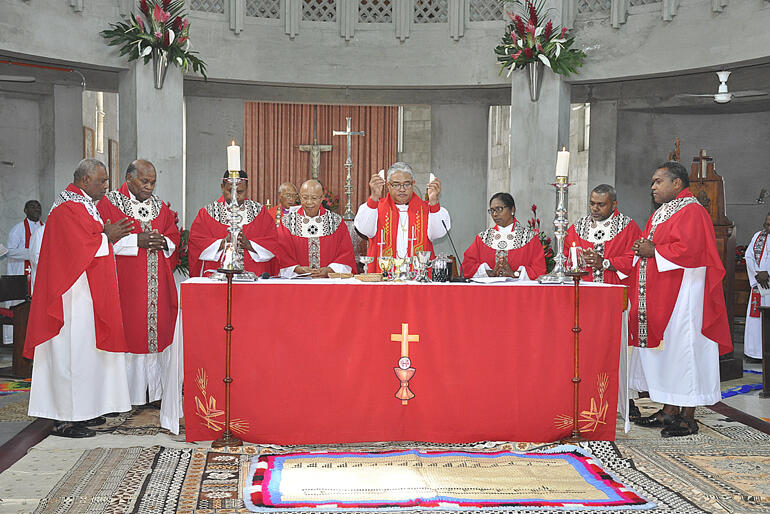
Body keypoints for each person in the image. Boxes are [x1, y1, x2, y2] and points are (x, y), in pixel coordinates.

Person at [24, 159, 134, 438]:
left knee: (85, 355)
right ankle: (63, 419)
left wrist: (104, 235)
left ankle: (82, 412)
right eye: (102, 180)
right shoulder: (66, 207)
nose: (106, 186)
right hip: (70, 295)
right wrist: (105, 236)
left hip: (85, 292)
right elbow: (73, 248)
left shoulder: (82, 203)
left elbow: (89, 240)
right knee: (70, 355)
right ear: (85, 180)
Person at [629, 161, 732, 437]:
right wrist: (642, 248)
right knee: (671, 352)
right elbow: (655, 245)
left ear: (677, 184)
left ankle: (688, 417)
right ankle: (669, 410)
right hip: (667, 290)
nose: (652, 187)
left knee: (686, 351)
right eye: (652, 182)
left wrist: (654, 251)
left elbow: (692, 249)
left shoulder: (693, 210)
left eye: (657, 181)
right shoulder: (664, 211)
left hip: (687, 294)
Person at [97, 160, 182, 421]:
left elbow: (173, 236)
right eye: (144, 181)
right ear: (129, 178)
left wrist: (163, 241)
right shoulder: (109, 203)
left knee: (158, 335)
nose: (149, 186)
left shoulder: (159, 207)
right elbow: (101, 238)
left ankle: (155, 393)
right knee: (129, 335)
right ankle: (125, 397)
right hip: (126, 285)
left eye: (153, 182)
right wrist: (137, 240)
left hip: (158, 284)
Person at [354, 162, 450, 272]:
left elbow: (439, 232)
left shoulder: (427, 209)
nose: (402, 189)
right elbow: (364, 229)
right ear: (388, 185)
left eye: (407, 184)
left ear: (413, 184)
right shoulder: (376, 208)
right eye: (396, 184)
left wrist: (433, 201)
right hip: (384, 279)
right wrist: (374, 197)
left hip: (417, 280)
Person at [188, 170, 280, 277]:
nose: (235, 197)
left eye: (240, 192)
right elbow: (196, 244)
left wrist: (249, 245)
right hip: (218, 276)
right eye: (230, 191)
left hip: (254, 275)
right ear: (222, 187)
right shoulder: (208, 213)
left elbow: (273, 243)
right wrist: (223, 243)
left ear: (247, 188)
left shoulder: (259, 212)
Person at [277, 179, 356, 278]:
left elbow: (346, 254)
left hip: (328, 284)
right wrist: (297, 269)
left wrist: (330, 270)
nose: (309, 202)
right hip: (298, 283)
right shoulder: (287, 222)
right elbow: (282, 254)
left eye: (314, 198)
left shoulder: (335, 221)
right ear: (299, 197)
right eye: (305, 197)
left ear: (322, 198)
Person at [564, 185, 641, 284]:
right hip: (583, 289)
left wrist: (605, 263)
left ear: (614, 205)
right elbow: (564, 257)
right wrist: (578, 260)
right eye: (592, 204)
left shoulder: (627, 227)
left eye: (601, 204)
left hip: (614, 290)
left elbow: (635, 259)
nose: (595, 208)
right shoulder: (578, 227)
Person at [462, 193, 545, 279]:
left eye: (499, 209)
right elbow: (468, 266)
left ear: (512, 210)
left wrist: (515, 274)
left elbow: (539, 269)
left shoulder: (529, 237)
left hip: (519, 291)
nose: (494, 214)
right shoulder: (483, 238)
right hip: (488, 291)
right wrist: (489, 273)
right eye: (492, 210)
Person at [3, 200, 44, 344]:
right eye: (32, 207)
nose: (36, 209)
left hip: (38, 274)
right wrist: (32, 253)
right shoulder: (18, 229)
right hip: (20, 273)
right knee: (18, 304)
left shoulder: (45, 228)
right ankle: (12, 340)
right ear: (25, 210)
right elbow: (10, 251)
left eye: (38, 207)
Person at [743, 212, 770, 363]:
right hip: (759, 284)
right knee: (756, 320)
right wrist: (757, 274)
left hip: (768, 283)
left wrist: (768, 274)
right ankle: (754, 353)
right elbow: (748, 256)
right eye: (766, 224)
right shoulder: (758, 236)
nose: (767, 227)